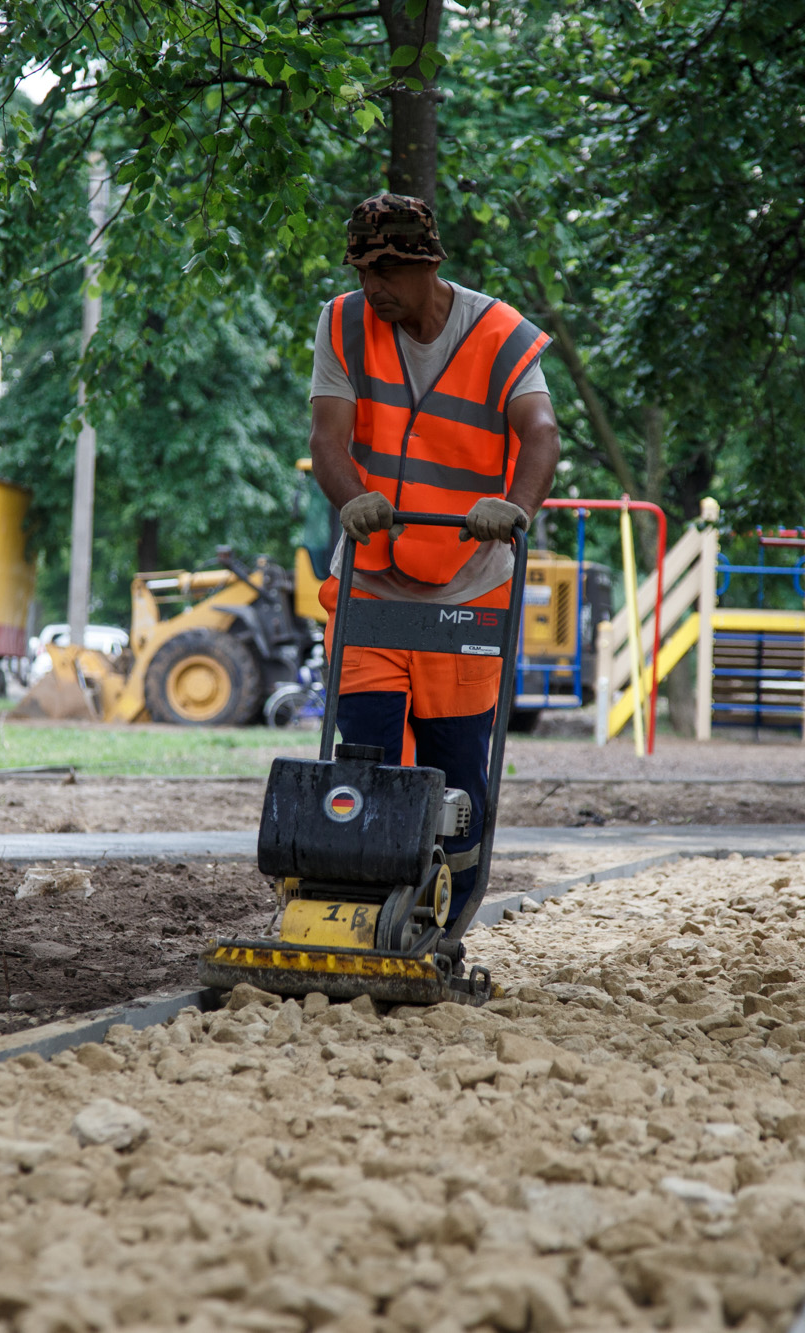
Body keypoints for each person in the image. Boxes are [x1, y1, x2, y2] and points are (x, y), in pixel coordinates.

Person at [307, 193, 561, 926]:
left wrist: (514, 506)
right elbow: (329, 439)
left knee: (458, 773)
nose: (372, 287)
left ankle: (448, 920)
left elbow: (540, 429)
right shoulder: (343, 323)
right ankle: (359, 908)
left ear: (427, 263)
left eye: (385, 269)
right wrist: (353, 495)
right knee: (362, 762)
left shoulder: (499, 333)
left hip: (469, 587)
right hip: (373, 582)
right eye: (362, 271)